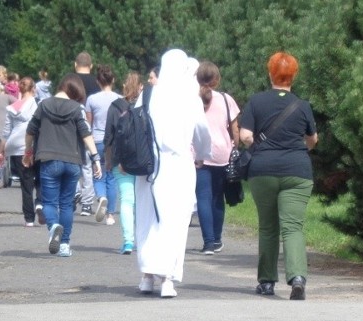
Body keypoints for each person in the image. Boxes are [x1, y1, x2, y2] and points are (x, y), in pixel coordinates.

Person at [239, 51, 318, 300]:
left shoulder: (256, 101)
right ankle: (297, 278)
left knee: (268, 227)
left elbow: (245, 136)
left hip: (263, 171)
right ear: (293, 75)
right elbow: (312, 140)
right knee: (293, 226)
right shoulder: (302, 105)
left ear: (270, 73)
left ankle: (267, 282)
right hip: (297, 171)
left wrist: (257, 144)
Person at [136, 49, 211, 298]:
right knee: (174, 221)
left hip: (148, 168)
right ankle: (168, 279)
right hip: (178, 166)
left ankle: (146, 276)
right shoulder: (190, 97)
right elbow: (201, 133)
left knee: (148, 219)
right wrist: (202, 153)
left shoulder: (147, 94)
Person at [23, 73, 102, 257]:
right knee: (67, 204)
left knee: (49, 202)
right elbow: (85, 133)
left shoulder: (43, 105)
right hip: (73, 161)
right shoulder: (77, 108)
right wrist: (96, 157)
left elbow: (30, 130)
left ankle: (54, 226)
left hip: (49, 160)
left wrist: (28, 152)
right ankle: (65, 245)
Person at [195, 61, 240, 255]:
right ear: (217, 79)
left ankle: (208, 243)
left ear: (197, 78)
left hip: (199, 154)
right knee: (217, 197)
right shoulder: (225, 99)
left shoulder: (192, 99)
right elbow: (235, 129)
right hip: (222, 153)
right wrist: (235, 146)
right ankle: (218, 239)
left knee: (203, 197)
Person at [103, 70, 144, 254]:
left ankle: (128, 241)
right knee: (142, 201)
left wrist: (109, 160)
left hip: (122, 161)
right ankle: (143, 240)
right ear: (141, 87)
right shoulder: (147, 106)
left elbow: (109, 136)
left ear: (123, 87)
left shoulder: (115, 107)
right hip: (144, 161)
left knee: (127, 200)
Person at [0, 77, 39, 225]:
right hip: (33, 145)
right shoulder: (37, 105)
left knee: (25, 184)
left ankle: (29, 219)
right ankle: (40, 203)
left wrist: (1, 152)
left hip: (15, 146)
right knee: (40, 178)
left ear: (19, 90)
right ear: (33, 89)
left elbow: (6, 132)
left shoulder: (12, 108)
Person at [85, 65, 120, 224]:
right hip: (114, 142)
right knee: (111, 177)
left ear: (98, 81)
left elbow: (88, 123)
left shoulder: (92, 99)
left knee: (98, 175)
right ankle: (111, 215)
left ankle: (101, 197)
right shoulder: (119, 99)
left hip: (97, 139)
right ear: (113, 80)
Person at [74, 52, 99, 216]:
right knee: (87, 167)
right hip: (89, 129)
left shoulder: (70, 80)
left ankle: (74, 192)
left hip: (70, 127)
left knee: (71, 163)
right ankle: (87, 203)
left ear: (75, 64)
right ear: (91, 66)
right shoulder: (96, 83)